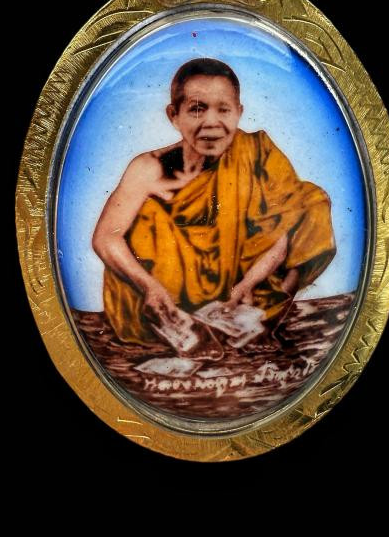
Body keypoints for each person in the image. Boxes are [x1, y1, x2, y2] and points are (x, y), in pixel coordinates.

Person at [92, 58, 336, 348]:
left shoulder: (255, 153)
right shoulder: (149, 168)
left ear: (238, 113)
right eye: (197, 109)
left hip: (236, 288)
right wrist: (150, 287)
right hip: (168, 292)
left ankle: (266, 319)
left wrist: (247, 284)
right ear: (174, 115)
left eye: (224, 110)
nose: (211, 122)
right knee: (148, 218)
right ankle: (176, 323)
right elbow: (105, 237)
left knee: (311, 201)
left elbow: (284, 231)